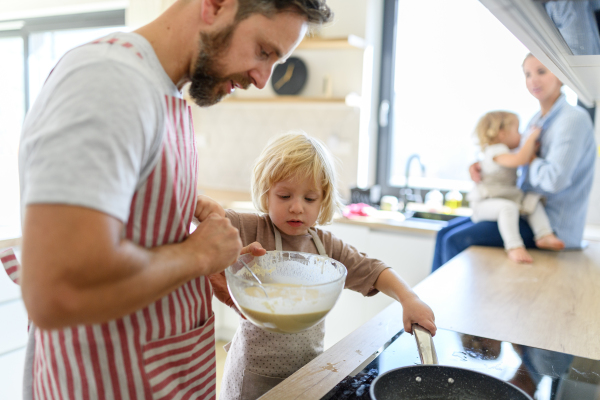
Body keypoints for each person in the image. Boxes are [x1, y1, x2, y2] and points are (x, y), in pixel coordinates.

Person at [0, 1, 333, 399]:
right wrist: (197, 256)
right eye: (264, 51)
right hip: (107, 383)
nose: (263, 79)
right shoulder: (106, 82)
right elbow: (57, 290)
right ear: (216, 5)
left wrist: (185, 217)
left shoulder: (162, 90)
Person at [202, 132, 437, 400]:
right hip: (253, 373)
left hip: (308, 369)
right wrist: (203, 209)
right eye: (284, 196)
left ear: (323, 200)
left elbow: (373, 270)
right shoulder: (251, 228)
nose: (296, 208)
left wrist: (409, 298)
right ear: (266, 194)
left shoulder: (325, 246)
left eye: (309, 199)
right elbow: (209, 219)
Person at [432, 54, 595, 272]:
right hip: (524, 211)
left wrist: (528, 157)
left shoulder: (572, 120)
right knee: (444, 232)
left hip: (550, 225)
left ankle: (436, 306)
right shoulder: (536, 120)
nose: (533, 80)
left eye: (541, 71)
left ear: (560, 75)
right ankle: (427, 305)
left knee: (455, 240)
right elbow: (511, 157)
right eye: (527, 74)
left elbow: (554, 180)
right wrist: (484, 165)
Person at [468, 111, 565, 263]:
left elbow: (520, 156)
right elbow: (519, 159)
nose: (520, 135)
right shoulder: (495, 150)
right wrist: (531, 138)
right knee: (508, 208)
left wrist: (530, 149)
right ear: (501, 134)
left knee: (531, 201)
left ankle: (544, 234)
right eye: (517, 131)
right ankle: (514, 246)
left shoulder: (504, 151)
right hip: (484, 203)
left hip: (503, 197)